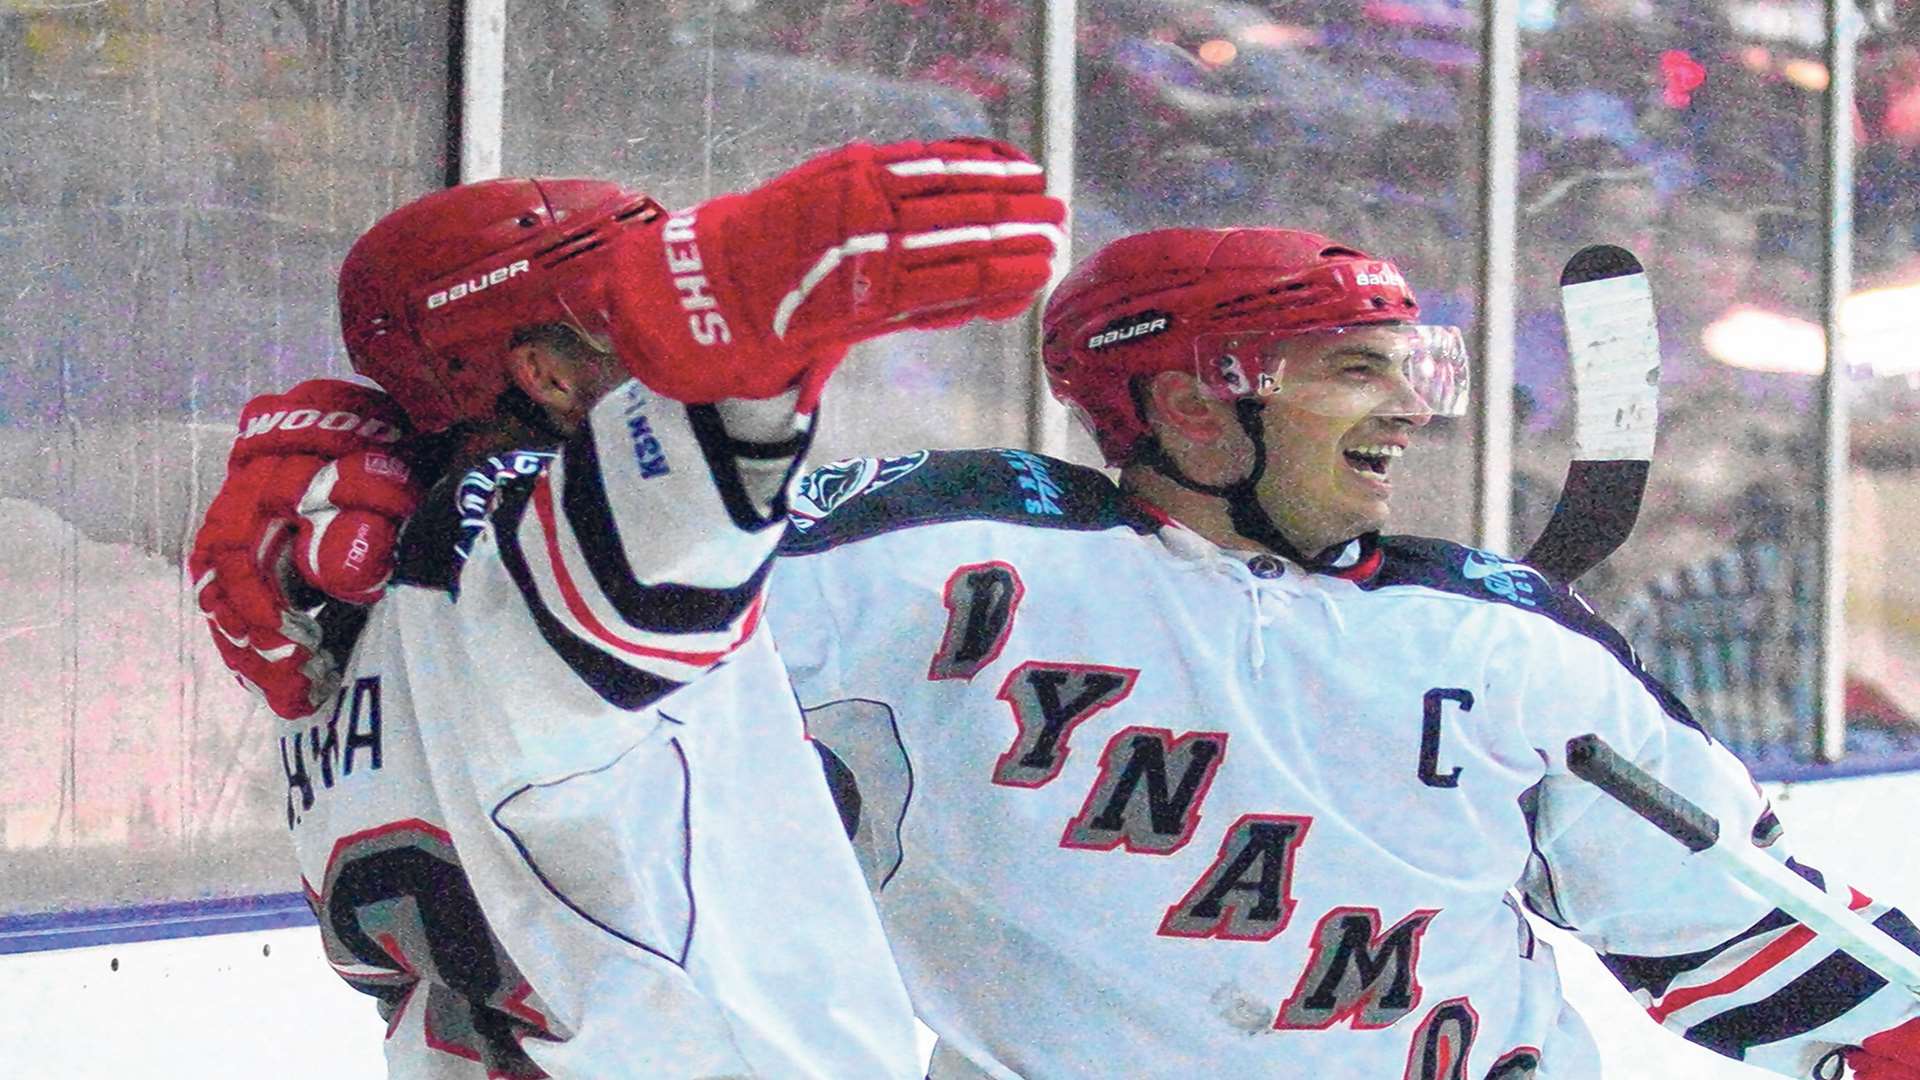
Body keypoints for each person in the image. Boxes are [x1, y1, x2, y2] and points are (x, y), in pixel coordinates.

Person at [201, 224, 1920, 1078]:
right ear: (1188, 398)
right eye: (1351, 368)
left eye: (1411, 372)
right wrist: (440, 463)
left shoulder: (1508, 647)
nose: (1406, 409)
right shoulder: (934, 563)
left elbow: (1765, 947)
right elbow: (609, 614)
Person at [188, 138, 1065, 1077]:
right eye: (622, 316)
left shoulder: (344, 604)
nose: (656, 338)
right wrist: (736, 346)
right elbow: (645, 534)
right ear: (549, 376)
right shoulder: (507, 535)